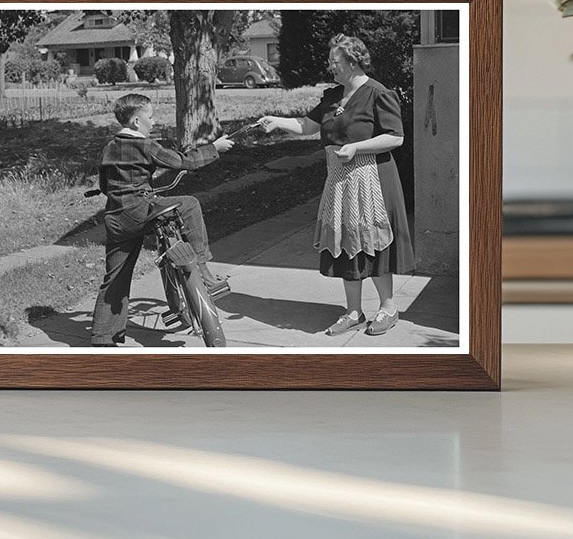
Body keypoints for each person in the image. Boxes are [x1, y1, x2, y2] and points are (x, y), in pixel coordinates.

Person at [259, 34, 415, 336]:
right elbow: (307, 126)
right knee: (347, 243)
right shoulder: (332, 96)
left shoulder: (377, 93)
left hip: (374, 180)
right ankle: (354, 312)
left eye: (336, 62)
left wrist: (357, 148)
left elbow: (396, 137)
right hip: (341, 181)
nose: (331, 68)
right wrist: (277, 120)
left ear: (353, 62)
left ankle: (388, 307)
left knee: (373, 243)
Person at [91, 93, 234, 347]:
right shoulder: (146, 145)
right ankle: (203, 270)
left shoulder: (109, 147)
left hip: (115, 218)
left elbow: (104, 184)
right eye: (150, 116)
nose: (153, 121)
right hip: (140, 209)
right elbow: (183, 161)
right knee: (189, 204)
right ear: (136, 121)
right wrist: (214, 148)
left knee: (115, 276)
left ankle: (103, 337)